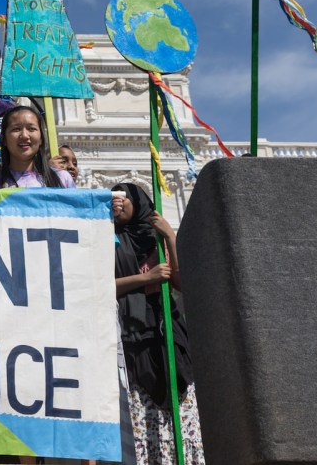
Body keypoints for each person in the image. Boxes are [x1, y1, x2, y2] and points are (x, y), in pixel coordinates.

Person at [112, 183, 205, 464]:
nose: (116, 203)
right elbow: (100, 285)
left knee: (178, 397)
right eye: (111, 199)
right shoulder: (108, 240)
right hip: (132, 332)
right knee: (141, 403)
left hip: (166, 326)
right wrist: (146, 278)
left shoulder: (156, 238)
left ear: (138, 201)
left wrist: (170, 237)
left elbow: (179, 282)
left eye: (122, 197)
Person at [0, 106, 73, 189]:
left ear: (41, 139)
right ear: (4, 139)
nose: (24, 135)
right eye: (16, 129)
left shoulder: (62, 179)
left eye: (31, 129)